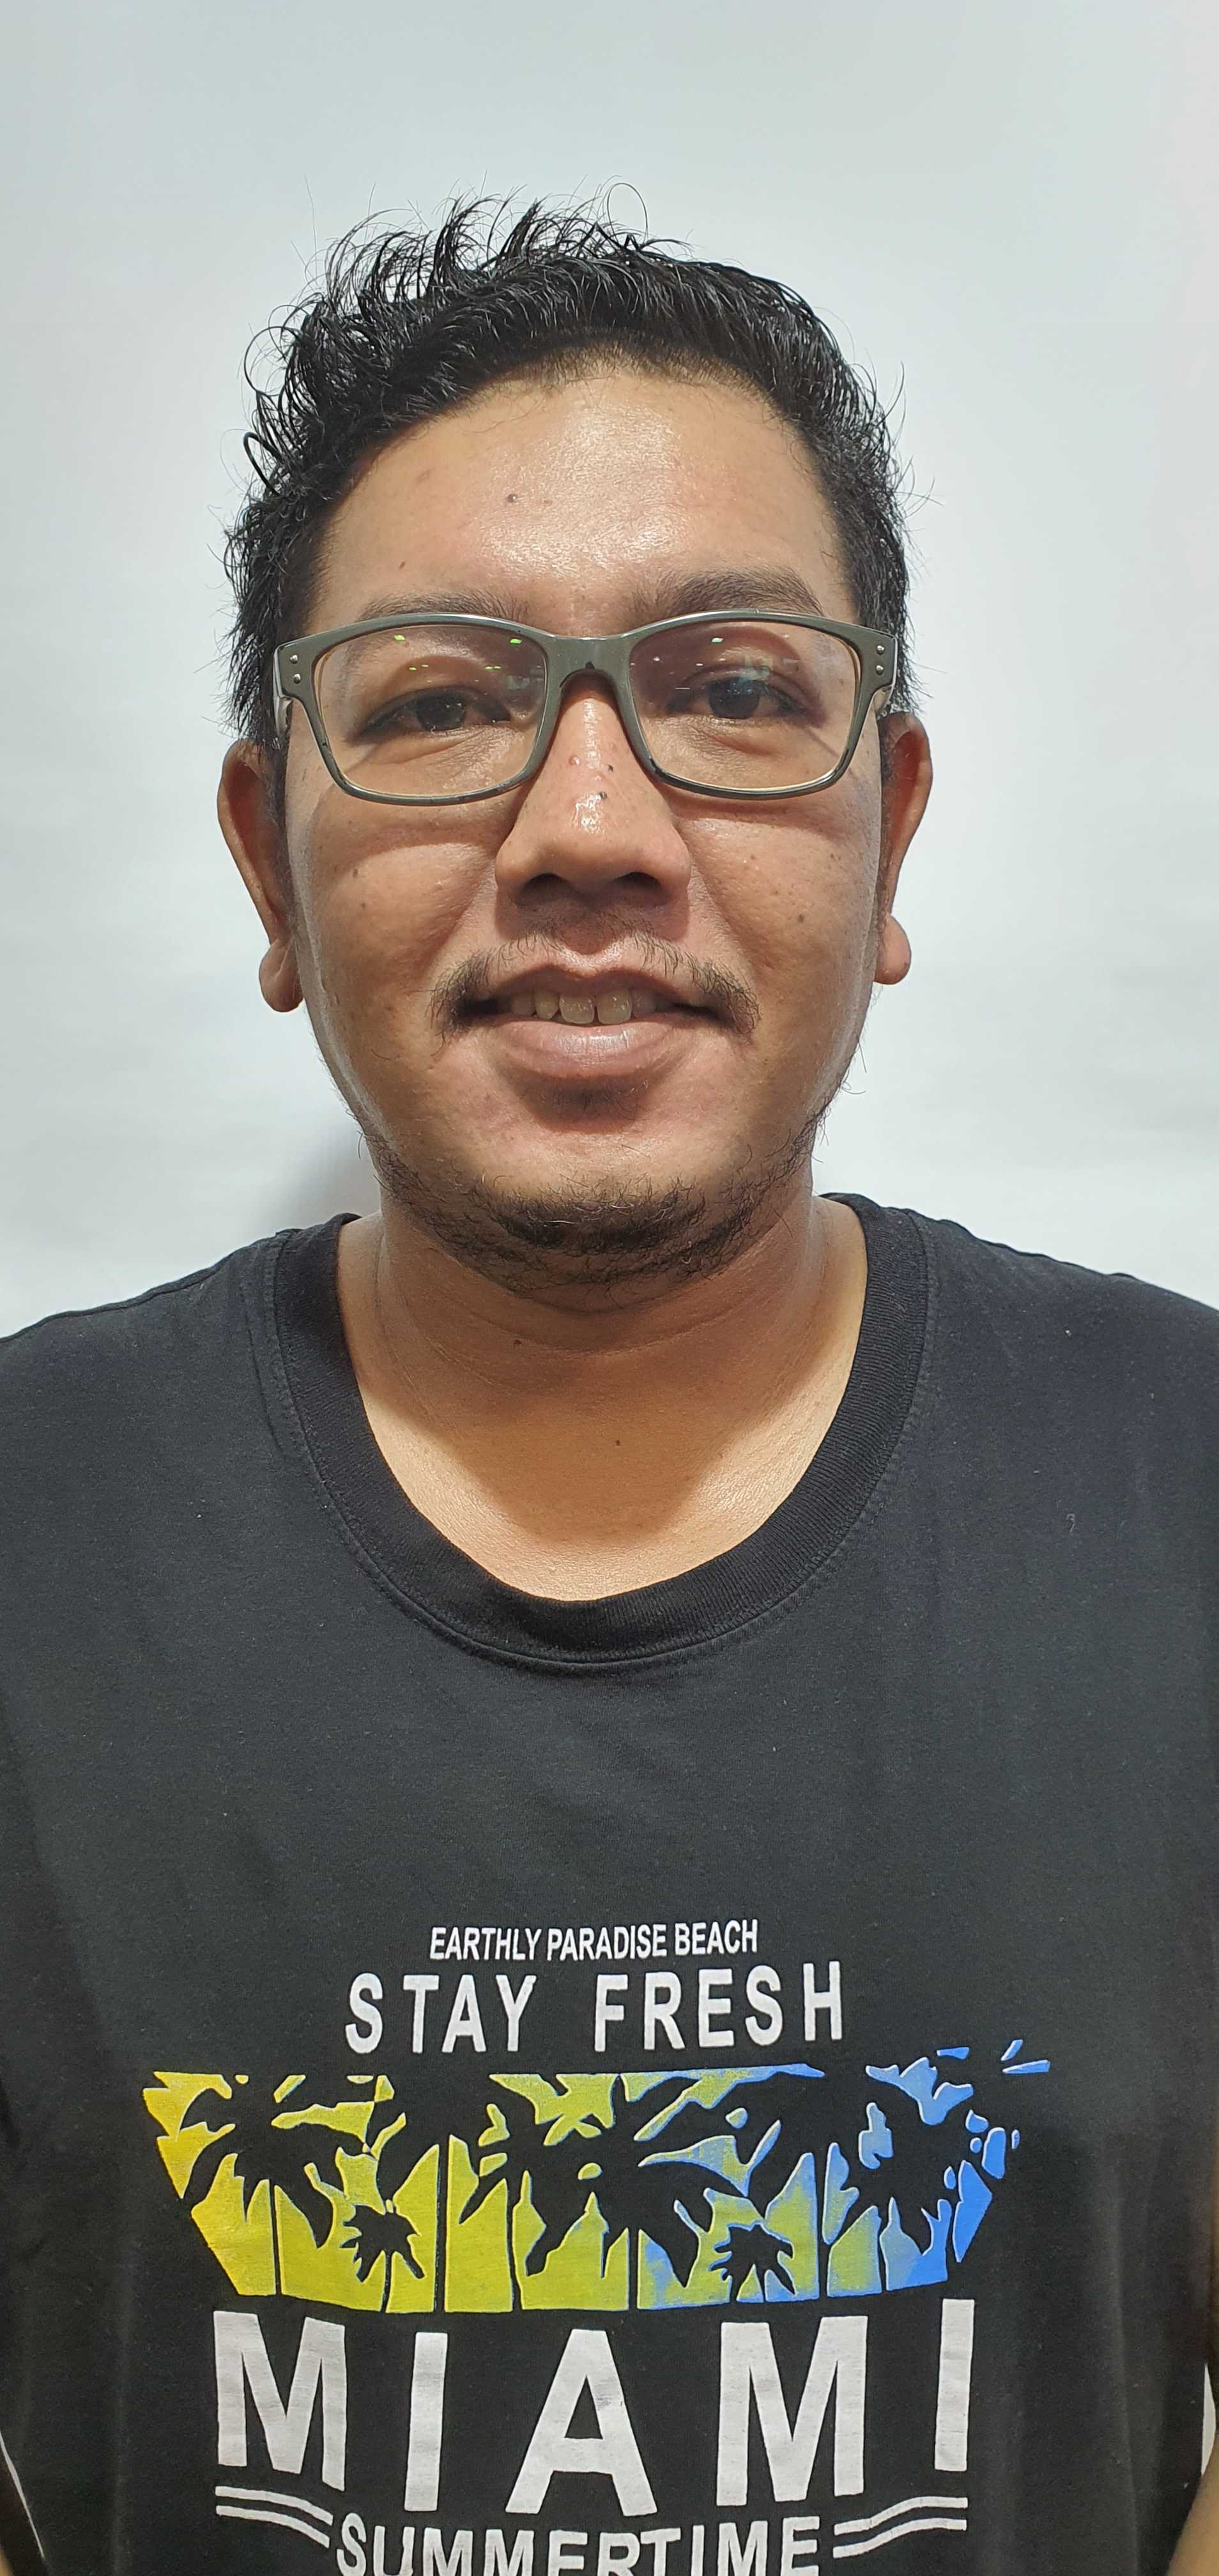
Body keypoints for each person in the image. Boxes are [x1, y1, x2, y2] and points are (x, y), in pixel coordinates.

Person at [1, 201, 1216, 2576]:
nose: (587, 830)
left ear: (889, 825)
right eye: (438, 703)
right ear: (268, 861)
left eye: (736, 689)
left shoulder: (1185, 1496)